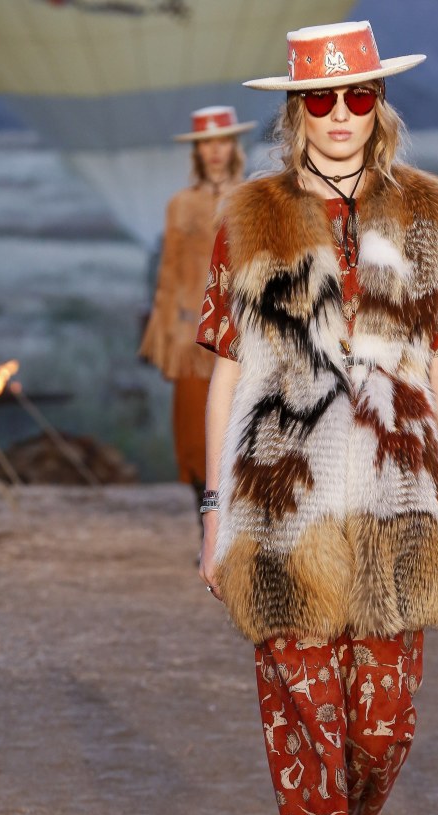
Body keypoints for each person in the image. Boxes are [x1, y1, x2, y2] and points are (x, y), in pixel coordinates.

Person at [197, 20, 438, 815]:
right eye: (318, 99)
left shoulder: (425, 213)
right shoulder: (250, 217)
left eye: (354, 96)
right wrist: (212, 511)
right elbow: (225, 370)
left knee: (380, 728)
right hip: (280, 506)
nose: (336, 114)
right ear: (295, 111)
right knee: (304, 721)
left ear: (377, 105)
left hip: (399, 506)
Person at [139, 106, 255, 514]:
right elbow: (168, 274)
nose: (215, 150)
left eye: (222, 141)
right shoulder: (180, 204)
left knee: (244, 435)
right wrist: (165, 336)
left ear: (234, 145)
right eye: (206, 143)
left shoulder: (252, 198)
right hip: (191, 339)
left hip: (243, 335)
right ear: (197, 151)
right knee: (193, 439)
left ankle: (238, 529)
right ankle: (205, 527)